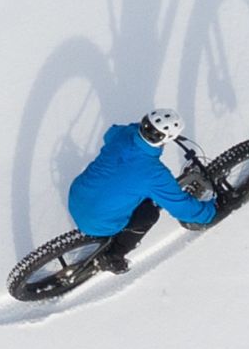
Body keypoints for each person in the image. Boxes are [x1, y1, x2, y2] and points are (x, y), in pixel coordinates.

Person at [66, 109, 216, 273]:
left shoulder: (123, 135)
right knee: (149, 214)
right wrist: (210, 212)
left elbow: (110, 134)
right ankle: (113, 256)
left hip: (77, 195)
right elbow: (182, 207)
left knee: (129, 190)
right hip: (97, 221)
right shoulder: (154, 174)